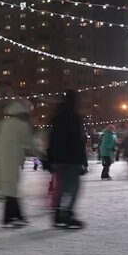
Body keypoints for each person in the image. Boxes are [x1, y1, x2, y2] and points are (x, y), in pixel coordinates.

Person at [45, 90, 87, 229]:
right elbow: (78, 140)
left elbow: (51, 138)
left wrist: (50, 157)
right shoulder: (75, 117)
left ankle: (57, 214)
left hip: (58, 157)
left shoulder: (57, 116)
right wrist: (83, 160)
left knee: (61, 187)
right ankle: (67, 214)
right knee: (74, 187)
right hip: (71, 157)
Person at [0, 101, 34, 227]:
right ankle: (9, 218)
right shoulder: (21, 125)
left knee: (10, 188)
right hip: (12, 159)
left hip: (1, 159)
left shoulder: (4, 124)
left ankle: (17, 216)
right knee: (12, 189)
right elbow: (27, 141)